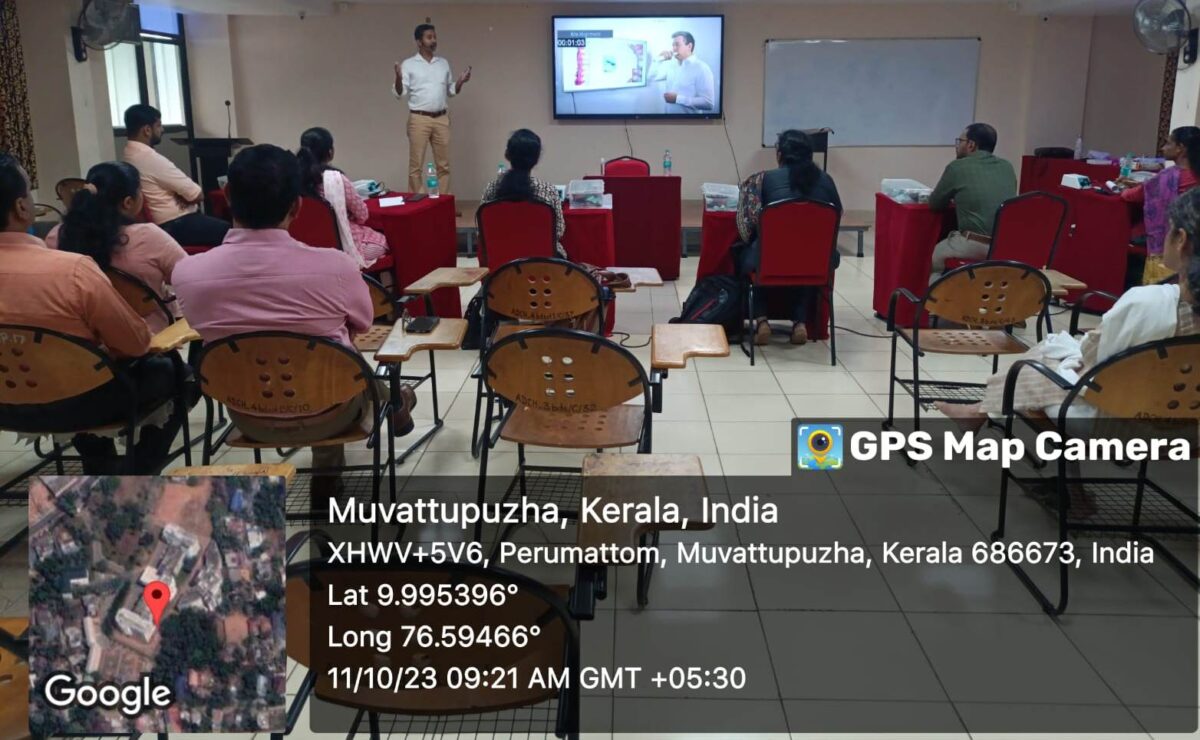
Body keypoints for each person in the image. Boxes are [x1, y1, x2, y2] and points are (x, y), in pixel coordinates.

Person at [172, 144, 416, 495]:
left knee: (326, 360)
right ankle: (393, 406)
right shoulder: (335, 267)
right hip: (333, 411)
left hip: (246, 412)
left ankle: (388, 407)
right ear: (297, 206)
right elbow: (363, 324)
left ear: (227, 196)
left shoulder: (188, 274)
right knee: (333, 360)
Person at [0, 152, 189, 474]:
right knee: (179, 376)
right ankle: (137, 471)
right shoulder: (72, 270)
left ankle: (99, 464)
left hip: (6, 405)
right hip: (80, 401)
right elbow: (136, 344)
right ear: (21, 207)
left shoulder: (59, 241)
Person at [46, 162, 188, 334]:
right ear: (128, 202)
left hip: (83, 343)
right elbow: (191, 279)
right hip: (148, 340)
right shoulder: (148, 237)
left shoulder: (57, 236)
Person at [736, 129, 842, 346]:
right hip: (817, 262)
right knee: (803, 257)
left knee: (754, 253)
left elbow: (745, 228)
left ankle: (761, 320)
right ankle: (800, 323)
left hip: (771, 261)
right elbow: (836, 218)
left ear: (780, 155)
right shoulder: (827, 181)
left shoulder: (760, 180)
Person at [122, 104, 230, 247]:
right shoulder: (150, 158)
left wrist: (181, 195)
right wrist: (181, 195)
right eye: (159, 125)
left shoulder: (128, 154)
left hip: (162, 224)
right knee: (230, 231)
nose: (162, 130)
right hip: (176, 224)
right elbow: (197, 195)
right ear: (147, 130)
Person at [927, 123, 1017, 281]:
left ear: (971, 144)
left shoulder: (957, 167)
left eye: (960, 141)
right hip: (1004, 245)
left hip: (974, 244)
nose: (957, 145)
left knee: (936, 256)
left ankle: (937, 296)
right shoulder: (1007, 167)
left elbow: (935, 204)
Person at [393, 23, 471, 194]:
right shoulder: (409, 64)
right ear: (419, 42)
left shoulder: (443, 63)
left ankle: (443, 202)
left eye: (434, 37)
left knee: (444, 165)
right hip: (419, 119)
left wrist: (460, 82)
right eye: (429, 37)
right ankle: (418, 204)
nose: (433, 40)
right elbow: (399, 92)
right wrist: (398, 77)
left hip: (441, 118)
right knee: (416, 167)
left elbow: (451, 91)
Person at [297, 127, 390, 268]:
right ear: (330, 152)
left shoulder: (292, 179)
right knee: (383, 242)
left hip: (305, 247)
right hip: (340, 246)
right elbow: (363, 215)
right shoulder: (336, 179)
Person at [1117, 126, 1200, 284]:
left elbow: (1131, 195)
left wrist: (1122, 188)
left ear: (1180, 148)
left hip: (1168, 247)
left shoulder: (1167, 177)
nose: (1163, 148)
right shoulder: (1194, 175)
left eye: (1168, 143)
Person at [481, 129, 567, 258]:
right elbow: (558, 232)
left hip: (500, 262)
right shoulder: (548, 190)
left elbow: (482, 231)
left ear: (507, 155)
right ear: (536, 159)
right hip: (544, 263)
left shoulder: (491, 189)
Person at [651, 31, 715, 115]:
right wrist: (657, 60)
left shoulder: (702, 68)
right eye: (673, 45)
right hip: (667, 120)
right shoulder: (671, 66)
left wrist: (677, 99)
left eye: (677, 45)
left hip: (689, 122)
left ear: (689, 46)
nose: (674, 48)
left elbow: (708, 103)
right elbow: (651, 78)